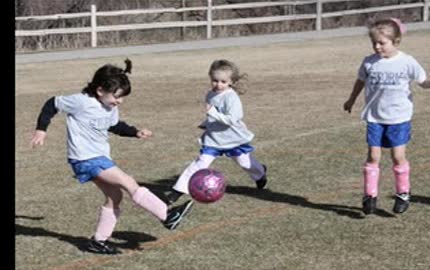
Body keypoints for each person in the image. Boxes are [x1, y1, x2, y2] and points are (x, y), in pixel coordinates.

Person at [30, 59, 193, 255]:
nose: (120, 101)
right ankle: (166, 215)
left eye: (122, 97)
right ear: (100, 91)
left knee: (115, 197)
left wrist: (135, 132)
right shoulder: (82, 102)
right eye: (117, 96)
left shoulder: (110, 107)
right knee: (129, 182)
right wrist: (41, 130)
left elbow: (114, 125)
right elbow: (52, 103)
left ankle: (98, 242)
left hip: (98, 158)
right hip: (85, 159)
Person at [343, 18, 430, 215]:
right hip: (375, 117)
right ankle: (369, 195)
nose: (377, 46)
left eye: (382, 43)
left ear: (396, 41)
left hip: (398, 118)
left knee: (397, 156)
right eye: (374, 42)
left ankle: (403, 193)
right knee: (373, 156)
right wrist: (351, 100)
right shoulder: (369, 62)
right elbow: (360, 82)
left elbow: (423, 82)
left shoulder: (407, 62)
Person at [164, 59, 268, 205]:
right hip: (214, 140)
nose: (218, 84)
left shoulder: (232, 97)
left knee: (245, 162)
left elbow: (232, 119)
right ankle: (177, 191)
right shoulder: (210, 94)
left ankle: (260, 174)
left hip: (233, 138)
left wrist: (213, 113)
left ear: (231, 82)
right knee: (200, 164)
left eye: (223, 81)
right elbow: (212, 115)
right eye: (215, 80)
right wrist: (207, 124)